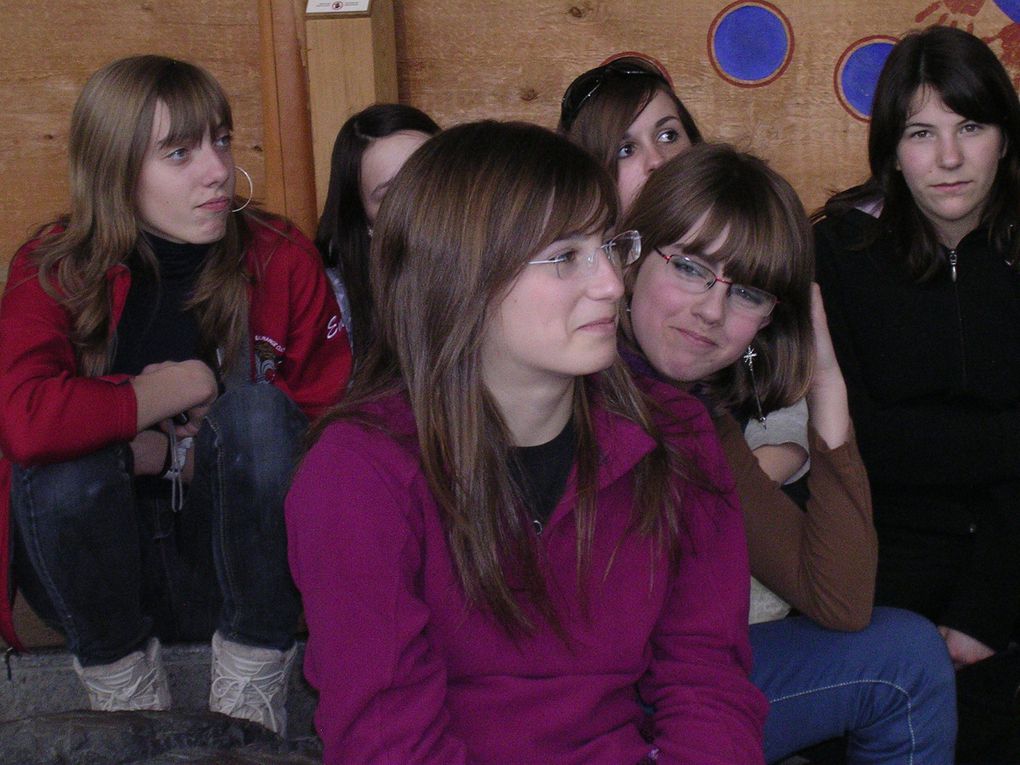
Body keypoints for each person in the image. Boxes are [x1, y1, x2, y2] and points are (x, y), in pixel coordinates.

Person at [286, 120, 767, 764]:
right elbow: (388, 741)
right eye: (567, 257)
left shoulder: (673, 434)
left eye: (609, 247)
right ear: (463, 277)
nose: (612, 285)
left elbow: (707, 679)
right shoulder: (356, 473)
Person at [0, 55, 351, 735]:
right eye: (180, 152)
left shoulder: (278, 254)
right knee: (65, 464)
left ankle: (251, 686)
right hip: (92, 570)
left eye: (220, 140)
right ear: (115, 168)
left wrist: (187, 446)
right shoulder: (55, 264)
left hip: (238, 565)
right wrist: (171, 390)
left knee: (256, 413)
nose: (217, 170)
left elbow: (337, 429)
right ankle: (123, 692)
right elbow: (26, 423)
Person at [619, 143, 957, 762]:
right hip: (587, 709)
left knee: (905, 656)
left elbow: (839, 601)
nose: (712, 310)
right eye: (691, 267)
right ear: (632, 256)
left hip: (678, 691)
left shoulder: (701, 422)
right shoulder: (573, 382)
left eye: (747, 292)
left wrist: (829, 390)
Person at [814, 25, 1020, 759]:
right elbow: (856, 439)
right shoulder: (839, 251)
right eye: (922, 132)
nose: (951, 159)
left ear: (1005, 135)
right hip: (882, 563)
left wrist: (986, 610)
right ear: (891, 151)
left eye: (972, 126)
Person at [314, 103, 439, 361]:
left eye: (430, 175)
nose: (421, 199)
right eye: (392, 194)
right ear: (366, 223)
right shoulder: (337, 302)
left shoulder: (508, 269)